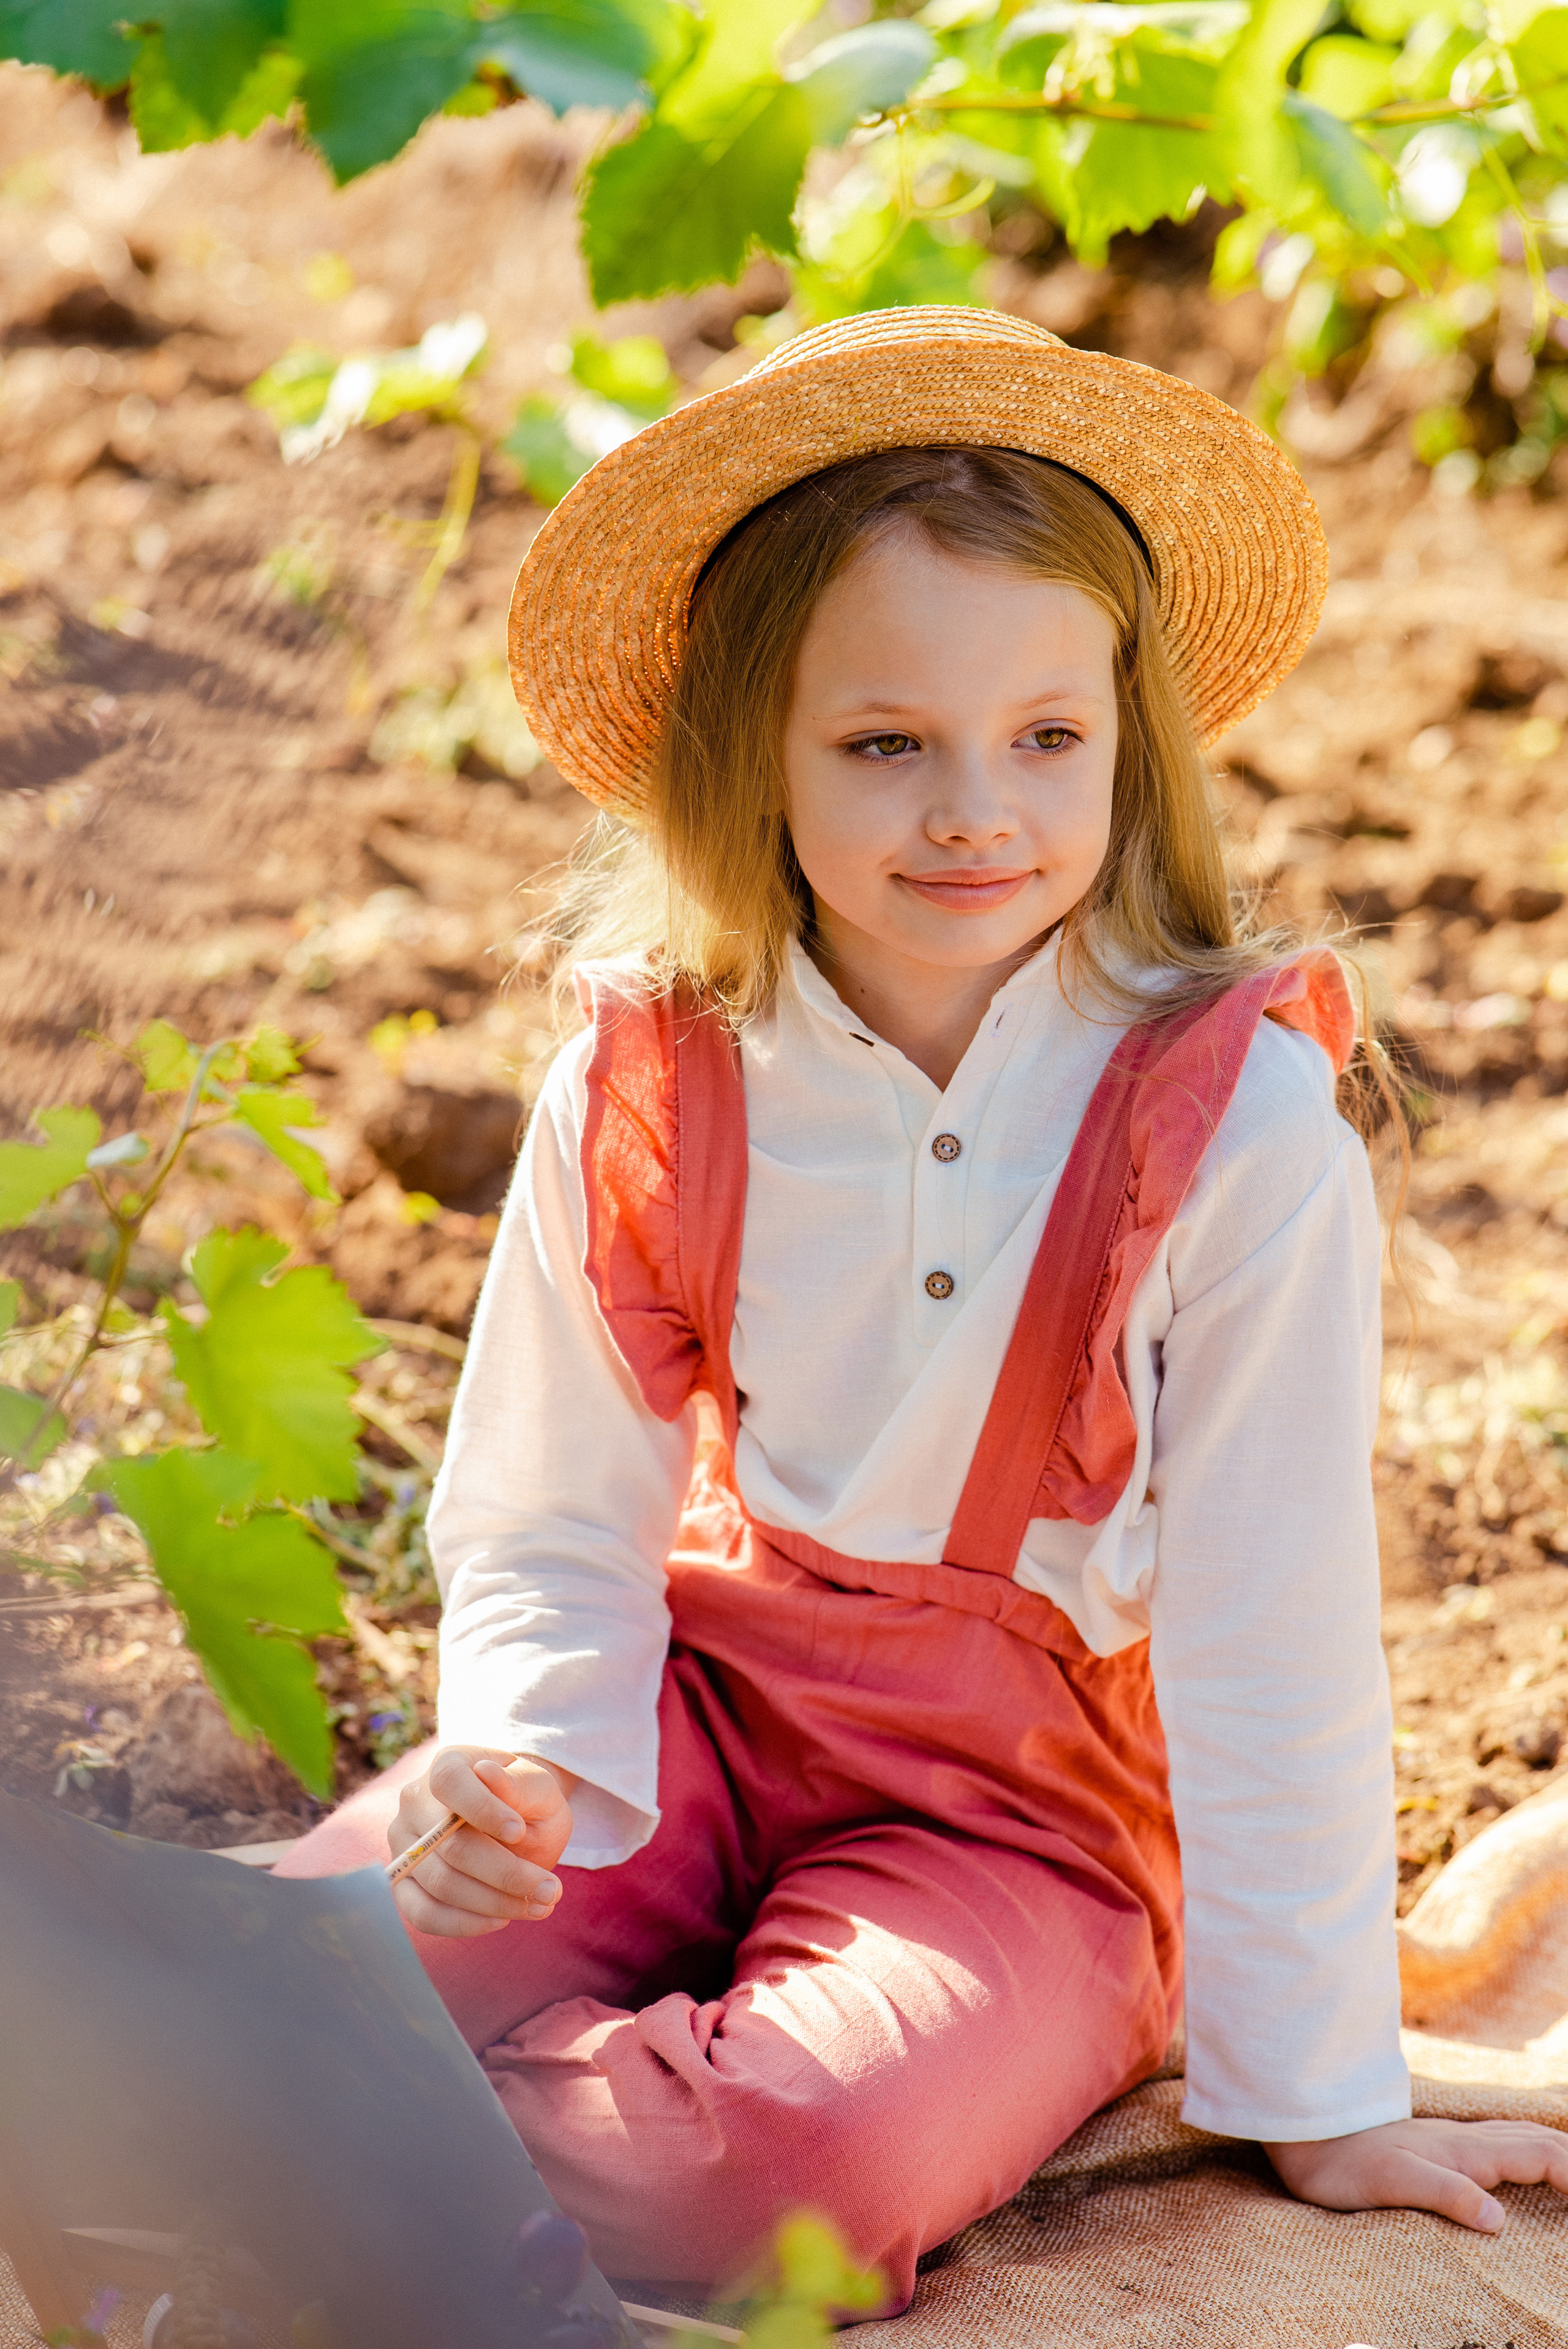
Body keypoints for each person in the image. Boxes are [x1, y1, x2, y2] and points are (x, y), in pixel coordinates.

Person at [276, 308, 1568, 2301]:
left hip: (1020, 1828)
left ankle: (352, 2125)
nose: (979, 809)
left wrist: (1320, 2084)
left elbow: (1269, 1619)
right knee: (326, 1939)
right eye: (886, 743)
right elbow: (550, 1498)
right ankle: (336, 2052)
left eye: (1047, 737)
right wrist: (513, 1762)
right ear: (750, 749)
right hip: (694, 1705)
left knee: (775, 2178)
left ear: (1125, 739)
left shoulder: (1230, 1123)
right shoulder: (663, 1071)